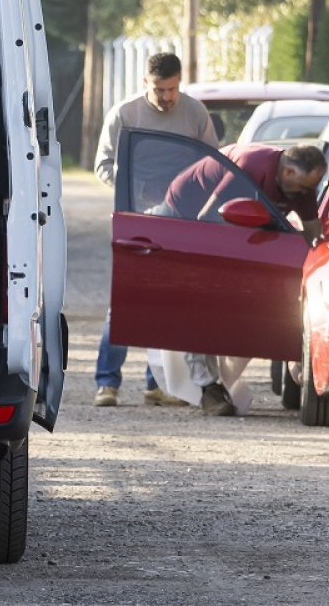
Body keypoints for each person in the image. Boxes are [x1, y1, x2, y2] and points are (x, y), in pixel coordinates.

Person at [160, 142, 327, 415]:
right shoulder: (250, 169)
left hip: (234, 220)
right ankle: (207, 388)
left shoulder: (303, 186)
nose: (305, 194)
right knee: (199, 299)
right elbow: (208, 221)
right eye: (302, 187)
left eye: (310, 188)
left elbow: (312, 233)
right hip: (186, 215)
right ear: (287, 172)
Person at [92, 52, 218, 408]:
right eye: (160, 90)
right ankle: (107, 383)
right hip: (136, 219)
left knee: (168, 302)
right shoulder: (125, 114)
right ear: (145, 83)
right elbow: (103, 165)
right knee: (124, 302)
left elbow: (212, 163)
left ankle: (156, 384)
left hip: (181, 222)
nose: (167, 97)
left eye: (173, 89)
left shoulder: (195, 113)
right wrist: (134, 188)